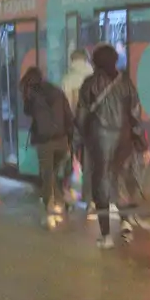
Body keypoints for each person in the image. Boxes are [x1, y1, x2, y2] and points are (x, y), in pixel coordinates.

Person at [75, 44, 148, 249]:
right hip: (124, 140)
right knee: (123, 179)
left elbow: (80, 118)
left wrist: (79, 142)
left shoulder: (89, 84)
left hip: (99, 141)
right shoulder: (126, 83)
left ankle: (106, 235)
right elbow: (135, 116)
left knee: (102, 185)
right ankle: (126, 221)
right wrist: (142, 144)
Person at [21, 66, 74, 226]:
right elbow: (69, 116)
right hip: (61, 140)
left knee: (47, 175)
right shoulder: (57, 92)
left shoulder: (32, 94)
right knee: (53, 173)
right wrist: (70, 140)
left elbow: (27, 111)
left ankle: (50, 208)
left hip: (44, 142)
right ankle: (61, 203)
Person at [61, 48, 94, 215]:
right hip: (92, 127)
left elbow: (65, 107)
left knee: (71, 162)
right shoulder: (95, 78)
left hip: (74, 126)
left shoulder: (68, 78)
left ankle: (70, 198)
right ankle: (90, 202)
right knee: (90, 164)